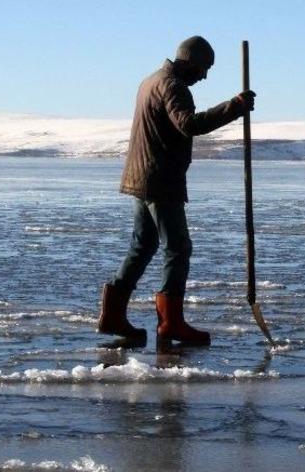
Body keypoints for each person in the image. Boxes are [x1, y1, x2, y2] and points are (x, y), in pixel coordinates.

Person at [98, 35, 255, 346]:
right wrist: (234, 107)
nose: (204, 76)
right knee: (178, 248)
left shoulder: (151, 80)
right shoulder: (172, 85)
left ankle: (113, 315)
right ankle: (171, 323)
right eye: (203, 69)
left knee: (143, 246)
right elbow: (189, 124)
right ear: (189, 62)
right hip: (160, 180)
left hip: (142, 177)